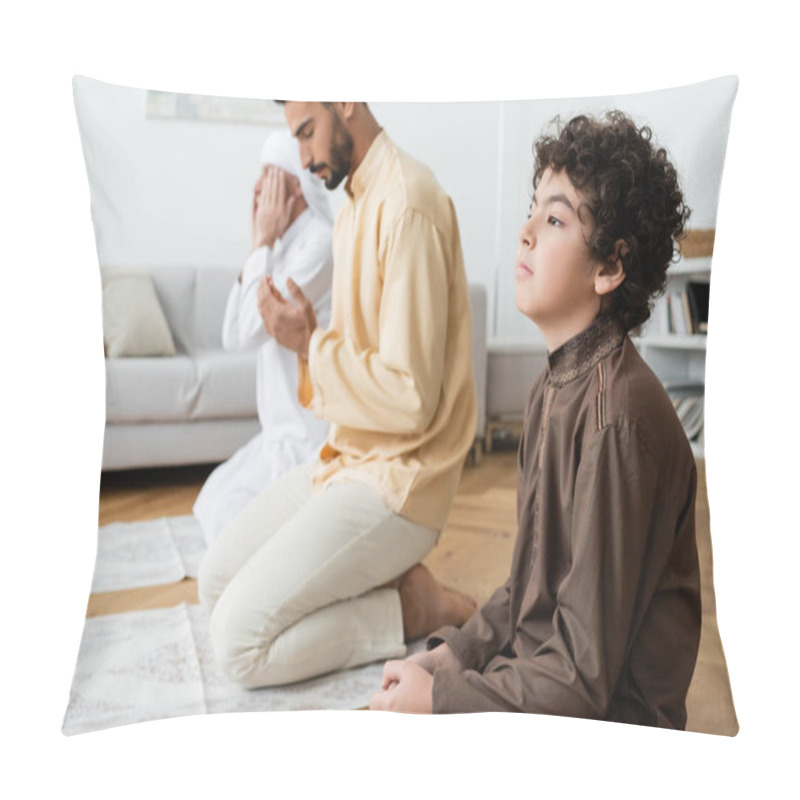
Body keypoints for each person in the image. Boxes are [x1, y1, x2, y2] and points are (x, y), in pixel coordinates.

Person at [369, 111, 702, 730]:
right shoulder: (553, 385)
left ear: (609, 268)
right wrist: (453, 658)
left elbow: (581, 682)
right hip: (552, 687)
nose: (524, 231)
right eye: (532, 211)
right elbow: (530, 592)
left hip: (611, 731)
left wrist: (442, 702)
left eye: (554, 219)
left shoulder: (615, 421)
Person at [197, 102, 477, 688]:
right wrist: (308, 342)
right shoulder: (354, 203)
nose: (302, 158)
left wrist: (307, 346)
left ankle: (414, 607)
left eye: (306, 132)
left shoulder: (408, 203)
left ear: (345, 100)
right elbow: (354, 364)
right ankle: (380, 582)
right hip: (347, 458)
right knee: (214, 582)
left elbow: (411, 397)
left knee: (238, 647)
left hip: (401, 481)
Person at [193, 130, 334, 545]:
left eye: (270, 176)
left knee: (228, 518)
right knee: (210, 503)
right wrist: (260, 243)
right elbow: (231, 336)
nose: (258, 187)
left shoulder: (319, 244)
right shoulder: (276, 247)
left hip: (308, 438)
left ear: (298, 189)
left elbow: (252, 332)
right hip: (277, 434)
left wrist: (263, 241)